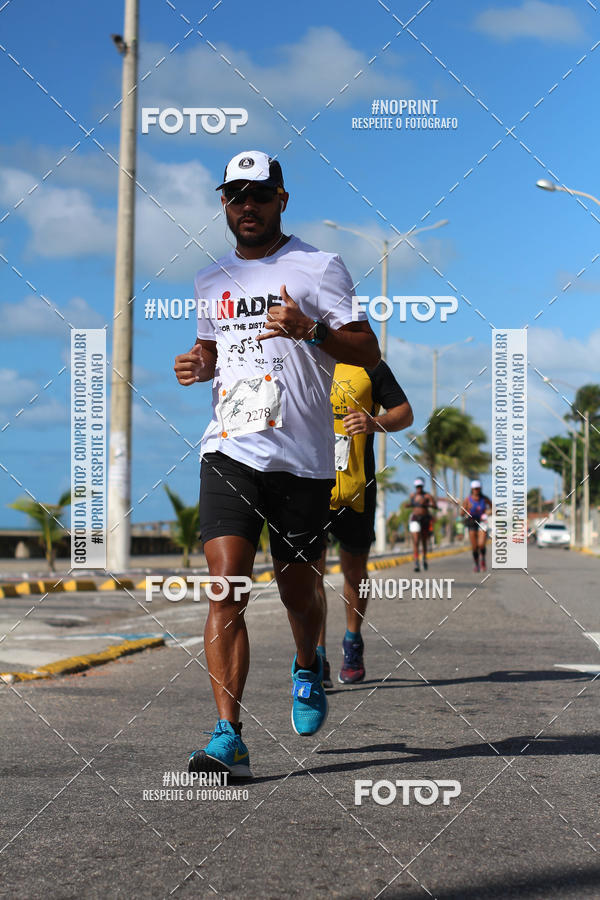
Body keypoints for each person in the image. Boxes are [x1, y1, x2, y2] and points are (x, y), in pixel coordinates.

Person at [174, 150, 380, 779]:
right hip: (229, 448)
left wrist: (311, 331)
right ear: (224, 203)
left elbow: (367, 351)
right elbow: (212, 349)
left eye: (259, 195)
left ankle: (307, 664)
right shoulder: (210, 280)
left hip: (302, 461)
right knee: (226, 585)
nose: (248, 206)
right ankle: (227, 736)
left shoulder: (320, 266)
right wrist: (199, 363)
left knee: (298, 592)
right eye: (236, 195)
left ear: (281, 200)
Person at [315, 362, 413, 687]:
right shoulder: (300, 356)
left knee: (354, 571)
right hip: (309, 484)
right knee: (310, 575)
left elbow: (404, 414)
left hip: (356, 486)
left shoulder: (368, 364)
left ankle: (352, 641)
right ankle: (315, 658)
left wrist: (373, 423)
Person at [403, 479, 436, 572]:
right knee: (416, 541)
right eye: (417, 487)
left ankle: (424, 559)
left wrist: (427, 504)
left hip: (425, 519)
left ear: (423, 487)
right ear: (415, 487)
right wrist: (407, 505)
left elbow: (434, 505)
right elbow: (411, 504)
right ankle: (416, 561)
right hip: (415, 519)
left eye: (420, 487)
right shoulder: (412, 496)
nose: (419, 488)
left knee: (424, 541)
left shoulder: (427, 496)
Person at [462, 479, 492, 572]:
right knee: (474, 547)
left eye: (478, 488)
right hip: (472, 522)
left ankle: (483, 560)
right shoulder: (467, 500)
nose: (476, 490)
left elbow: (493, 508)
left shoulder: (484, 499)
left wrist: (488, 512)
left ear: (480, 489)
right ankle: (476, 564)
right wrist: (467, 509)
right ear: (472, 489)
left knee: (481, 544)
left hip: (482, 522)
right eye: (475, 489)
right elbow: (461, 513)